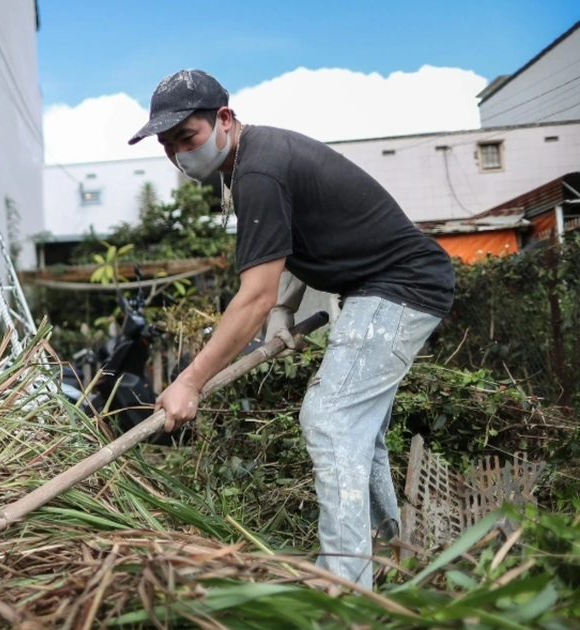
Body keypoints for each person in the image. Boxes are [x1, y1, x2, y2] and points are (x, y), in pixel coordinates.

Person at [129, 69, 455, 590]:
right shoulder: (251, 162)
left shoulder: (258, 170)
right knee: (358, 433)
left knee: (330, 420)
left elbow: (253, 294)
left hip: (400, 289)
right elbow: (296, 243)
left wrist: (188, 381)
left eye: (186, 137)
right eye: (167, 145)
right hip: (385, 288)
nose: (178, 154)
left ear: (225, 119)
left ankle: (347, 594)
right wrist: (284, 314)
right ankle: (390, 557)